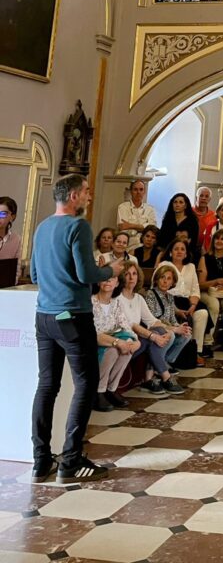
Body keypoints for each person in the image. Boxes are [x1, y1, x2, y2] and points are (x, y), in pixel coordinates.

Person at [30, 174, 124, 484]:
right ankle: (70, 461)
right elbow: (86, 275)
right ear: (72, 196)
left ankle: (41, 461)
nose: (89, 196)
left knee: (47, 386)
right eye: (85, 191)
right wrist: (110, 269)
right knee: (86, 384)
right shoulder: (78, 226)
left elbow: (35, 275)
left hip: (44, 316)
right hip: (72, 315)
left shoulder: (42, 227)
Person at [117, 263, 179, 395]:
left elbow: (152, 321)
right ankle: (166, 377)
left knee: (160, 331)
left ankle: (149, 380)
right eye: (127, 274)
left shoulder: (138, 298)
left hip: (138, 340)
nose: (131, 277)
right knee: (154, 337)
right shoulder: (117, 298)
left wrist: (168, 330)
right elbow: (131, 325)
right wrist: (153, 336)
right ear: (121, 277)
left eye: (134, 274)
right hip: (126, 342)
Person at [91, 275, 140, 410]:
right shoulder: (91, 302)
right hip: (95, 342)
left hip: (112, 339)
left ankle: (111, 389)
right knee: (113, 350)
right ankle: (99, 391)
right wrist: (117, 342)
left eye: (111, 278)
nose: (107, 281)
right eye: (104, 277)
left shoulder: (116, 303)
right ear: (98, 281)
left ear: (117, 283)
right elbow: (94, 333)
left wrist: (135, 341)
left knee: (128, 347)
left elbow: (125, 325)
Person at [142, 264, 193, 383]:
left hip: (168, 327)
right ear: (156, 279)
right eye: (162, 277)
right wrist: (173, 329)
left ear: (172, 282)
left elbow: (172, 319)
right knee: (171, 335)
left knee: (187, 334)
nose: (165, 281)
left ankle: (164, 362)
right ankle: (160, 365)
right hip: (155, 328)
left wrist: (181, 327)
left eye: (169, 279)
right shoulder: (150, 294)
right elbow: (152, 319)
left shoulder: (170, 297)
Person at [163, 238, 209, 363]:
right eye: (176, 249)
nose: (179, 251)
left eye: (182, 249)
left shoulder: (191, 267)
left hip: (188, 301)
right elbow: (159, 289)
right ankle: (175, 353)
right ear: (170, 252)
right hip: (170, 301)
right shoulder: (165, 265)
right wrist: (175, 309)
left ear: (186, 253)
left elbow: (195, 289)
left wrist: (193, 305)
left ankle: (196, 351)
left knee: (202, 313)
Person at [116, 179, 157, 252]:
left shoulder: (150, 209)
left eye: (141, 189)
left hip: (146, 247)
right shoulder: (122, 207)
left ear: (144, 192)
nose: (138, 192)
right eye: (135, 189)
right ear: (131, 191)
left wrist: (130, 225)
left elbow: (152, 229)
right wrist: (143, 227)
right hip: (128, 247)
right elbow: (123, 228)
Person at [0, 195, 22, 284]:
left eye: (3, 214)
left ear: (12, 216)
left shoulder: (16, 239)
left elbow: (17, 270)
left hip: (5, 286)